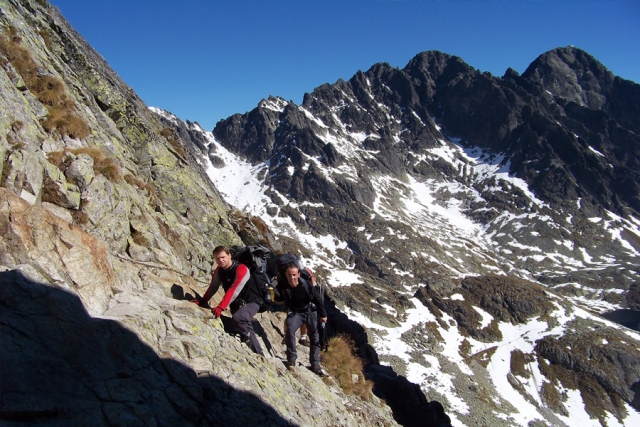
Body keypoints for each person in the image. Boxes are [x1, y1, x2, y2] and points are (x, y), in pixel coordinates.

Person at [191, 245, 264, 356]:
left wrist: (220, 307)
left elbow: (233, 290)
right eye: (217, 258)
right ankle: (255, 349)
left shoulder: (241, 269)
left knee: (239, 317)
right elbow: (213, 287)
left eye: (223, 257)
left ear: (229, 255)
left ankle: (255, 350)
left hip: (252, 301)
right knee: (241, 321)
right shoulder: (219, 271)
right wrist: (202, 301)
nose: (221, 260)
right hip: (237, 304)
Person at [276, 263, 327, 375]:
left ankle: (315, 363)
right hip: (295, 312)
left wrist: (323, 315)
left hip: (309, 311)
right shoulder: (283, 285)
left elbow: (318, 299)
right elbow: (277, 297)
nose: (292, 277)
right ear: (286, 274)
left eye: (294, 274)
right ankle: (291, 359)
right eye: (290, 275)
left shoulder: (307, 284)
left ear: (299, 274)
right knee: (289, 330)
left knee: (314, 337)